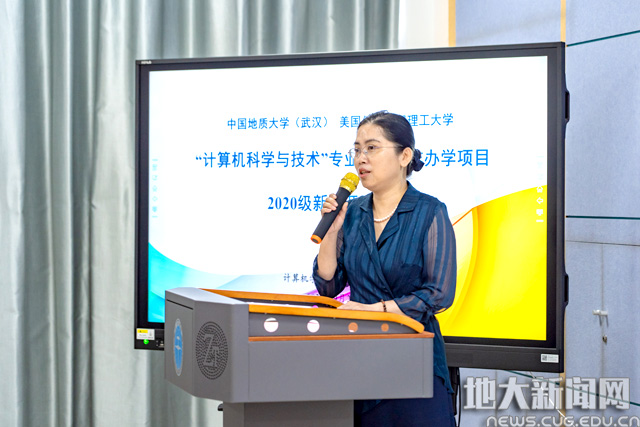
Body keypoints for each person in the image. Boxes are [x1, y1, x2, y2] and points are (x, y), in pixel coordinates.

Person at [312, 111, 457, 426]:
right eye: (357, 149)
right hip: (360, 359)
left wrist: (374, 310)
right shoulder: (353, 213)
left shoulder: (429, 211)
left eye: (372, 148)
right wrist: (331, 231)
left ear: (404, 156)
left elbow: (439, 294)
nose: (361, 159)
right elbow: (328, 287)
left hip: (415, 361)